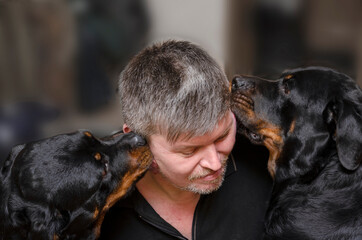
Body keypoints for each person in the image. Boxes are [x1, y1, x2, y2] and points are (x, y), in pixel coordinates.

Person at [100, 40, 273, 239]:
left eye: (222, 136)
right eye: (189, 151)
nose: (215, 164)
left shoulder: (268, 163)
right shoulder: (94, 205)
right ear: (135, 138)